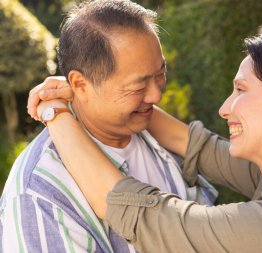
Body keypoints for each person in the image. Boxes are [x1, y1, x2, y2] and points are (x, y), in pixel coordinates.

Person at [29, 32, 262, 252]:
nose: (224, 108)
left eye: (241, 90)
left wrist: (55, 111)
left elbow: (140, 213)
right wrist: (98, 92)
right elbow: (191, 143)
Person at [0, 1, 216, 252]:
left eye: (160, 74)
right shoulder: (40, 193)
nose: (156, 95)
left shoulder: (158, 136)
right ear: (80, 85)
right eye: (138, 87)